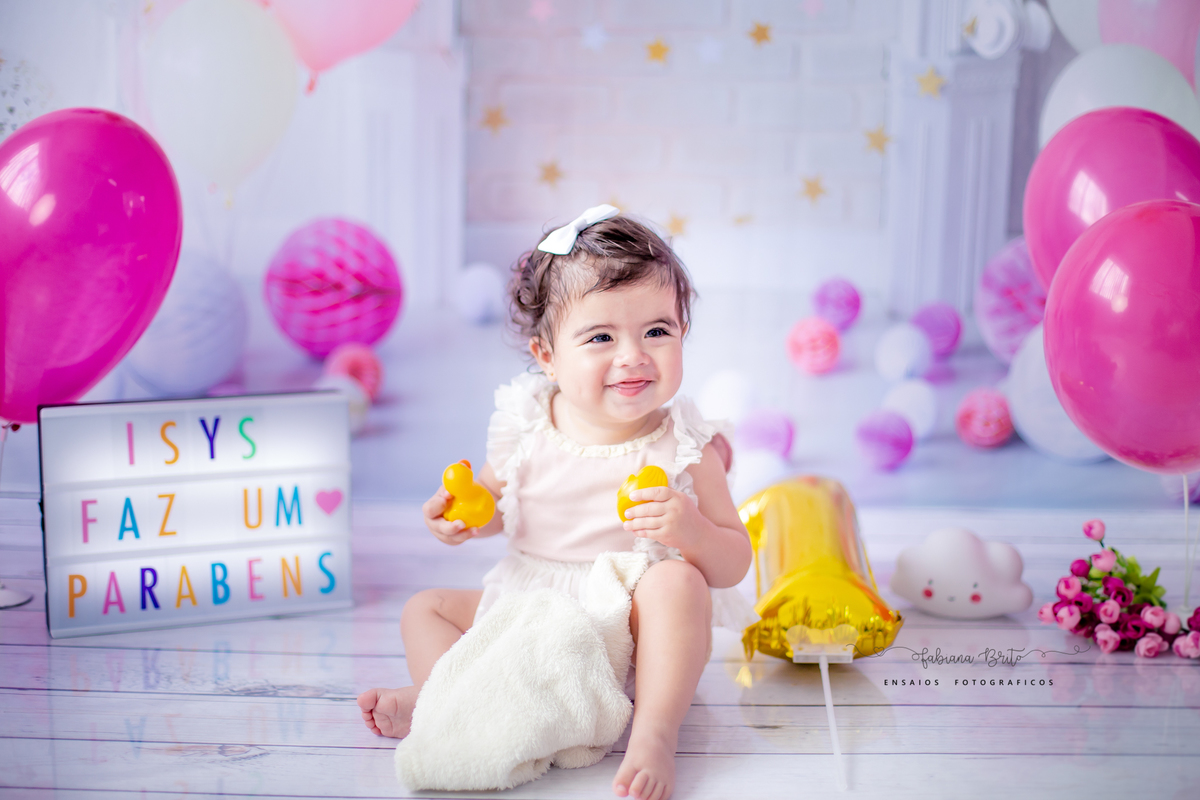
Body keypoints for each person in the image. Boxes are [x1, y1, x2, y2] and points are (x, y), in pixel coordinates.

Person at [357, 205, 753, 800]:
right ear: (547, 356)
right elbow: (496, 508)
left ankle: (653, 733)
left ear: (682, 331)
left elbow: (734, 561)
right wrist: (464, 514)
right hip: (527, 607)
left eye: (657, 331)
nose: (633, 355)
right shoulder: (526, 422)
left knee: (679, 584)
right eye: (601, 337)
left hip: (624, 634)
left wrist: (692, 531)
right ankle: (445, 695)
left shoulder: (686, 445)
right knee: (425, 609)